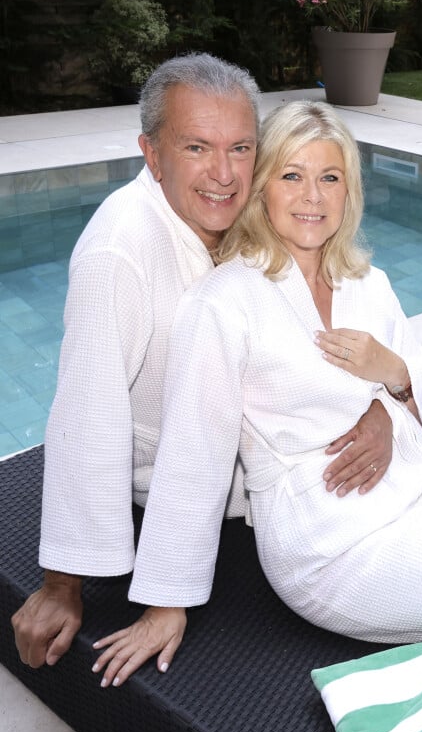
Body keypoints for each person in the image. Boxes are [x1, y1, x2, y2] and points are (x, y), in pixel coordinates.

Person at [92, 99, 422, 689]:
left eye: (330, 177)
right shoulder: (223, 302)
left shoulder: (366, 282)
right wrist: (166, 601)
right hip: (334, 546)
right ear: (261, 188)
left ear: (350, 190)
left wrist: (389, 383)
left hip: (417, 487)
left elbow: (421, 394)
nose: (312, 197)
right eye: (291, 176)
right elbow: (194, 454)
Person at [11, 63, 394, 671]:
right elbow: (88, 414)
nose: (223, 174)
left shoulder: (253, 210)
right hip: (175, 480)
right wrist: (63, 585)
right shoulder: (118, 253)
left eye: (241, 149)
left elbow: (332, 325)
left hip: (283, 461)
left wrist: (383, 407)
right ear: (152, 154)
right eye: (196, 148)